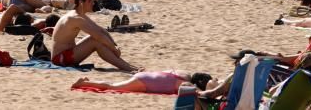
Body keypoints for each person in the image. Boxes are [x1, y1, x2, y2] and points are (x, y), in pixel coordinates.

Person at [51, 0, 141, 71]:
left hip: (68, 53)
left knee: (96, 38)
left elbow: (101, 30)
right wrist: (113, 49)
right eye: (90, 0)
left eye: (93, 0)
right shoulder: (75, 18)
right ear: (81, 2)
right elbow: (98, 36)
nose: (93, 3)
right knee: (95, 40)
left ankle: (128, 66)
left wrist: (114, 46)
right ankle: (127, 67)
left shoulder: (80, 15)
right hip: (60, 59)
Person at [71, 71, 212, 95]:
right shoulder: (186, 84)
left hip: (147, 76)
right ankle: (81, 84)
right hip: (145, 82)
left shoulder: (184, 74)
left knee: (114, 84)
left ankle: (87, 81)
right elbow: (199, 93)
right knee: (112, 86)